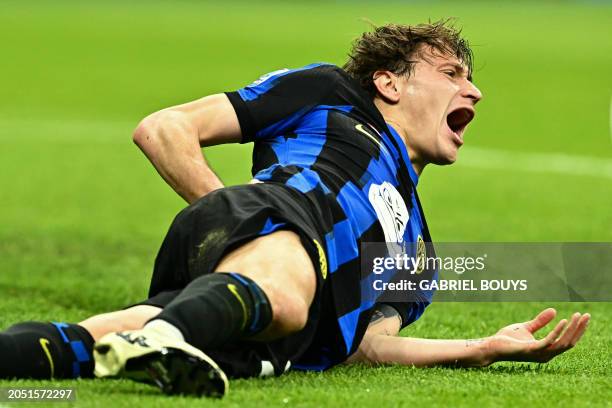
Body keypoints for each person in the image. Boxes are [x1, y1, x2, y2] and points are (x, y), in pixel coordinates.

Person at [0, 20, 590, 398]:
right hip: (274, 222)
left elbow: (368, 346)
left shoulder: (418, 252)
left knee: (90, 343)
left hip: (280, 334)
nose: (474, 91)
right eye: (451, 74)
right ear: (388, 82)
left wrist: (483, 347)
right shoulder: (329, 94)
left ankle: (152, 333)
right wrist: (239, 221)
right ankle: (171, 334)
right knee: (282, 292)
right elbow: (163, 128)